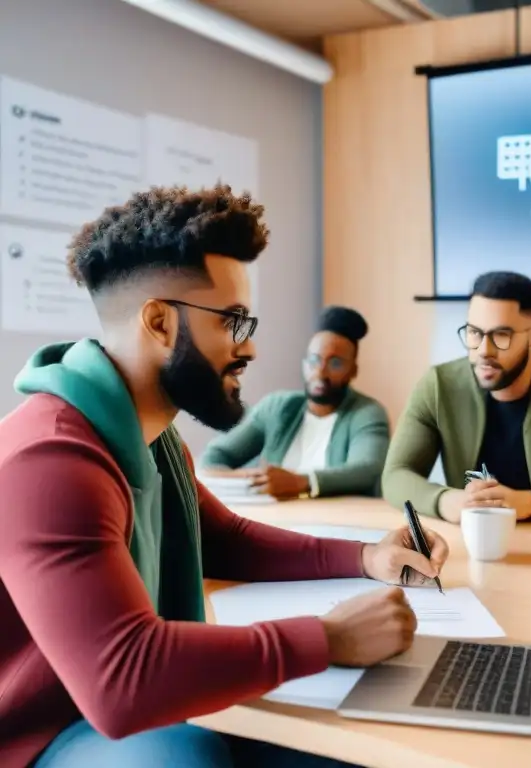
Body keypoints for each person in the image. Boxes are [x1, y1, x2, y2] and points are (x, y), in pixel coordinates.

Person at [0, 185, 449, 768]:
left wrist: (367, 558)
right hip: (38, 737)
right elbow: (122, 681)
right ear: (159, 323)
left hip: (98, 708)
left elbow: (225, 539)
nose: (252, 347)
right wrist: (328, 638)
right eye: (233, 322)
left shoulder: (147, 435)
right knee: (189, 758)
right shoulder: (50, 460)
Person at [381, 271, 531, 522]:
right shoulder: (438, 386)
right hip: (474, 543)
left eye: (501, 336)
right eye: (474, 333)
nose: (484, 351)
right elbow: (396, 476)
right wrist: (444, 500)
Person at [200, 305, 389, 499]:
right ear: (304, 364)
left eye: (335, 363)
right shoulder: (277, 407)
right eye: (314, 360)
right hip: (274, 515)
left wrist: (300, 482)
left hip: (335, 519)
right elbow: (215, 455)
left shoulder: (367, 413)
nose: (320, 373)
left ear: (353, 370)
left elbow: (366, 469)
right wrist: (248, 478)